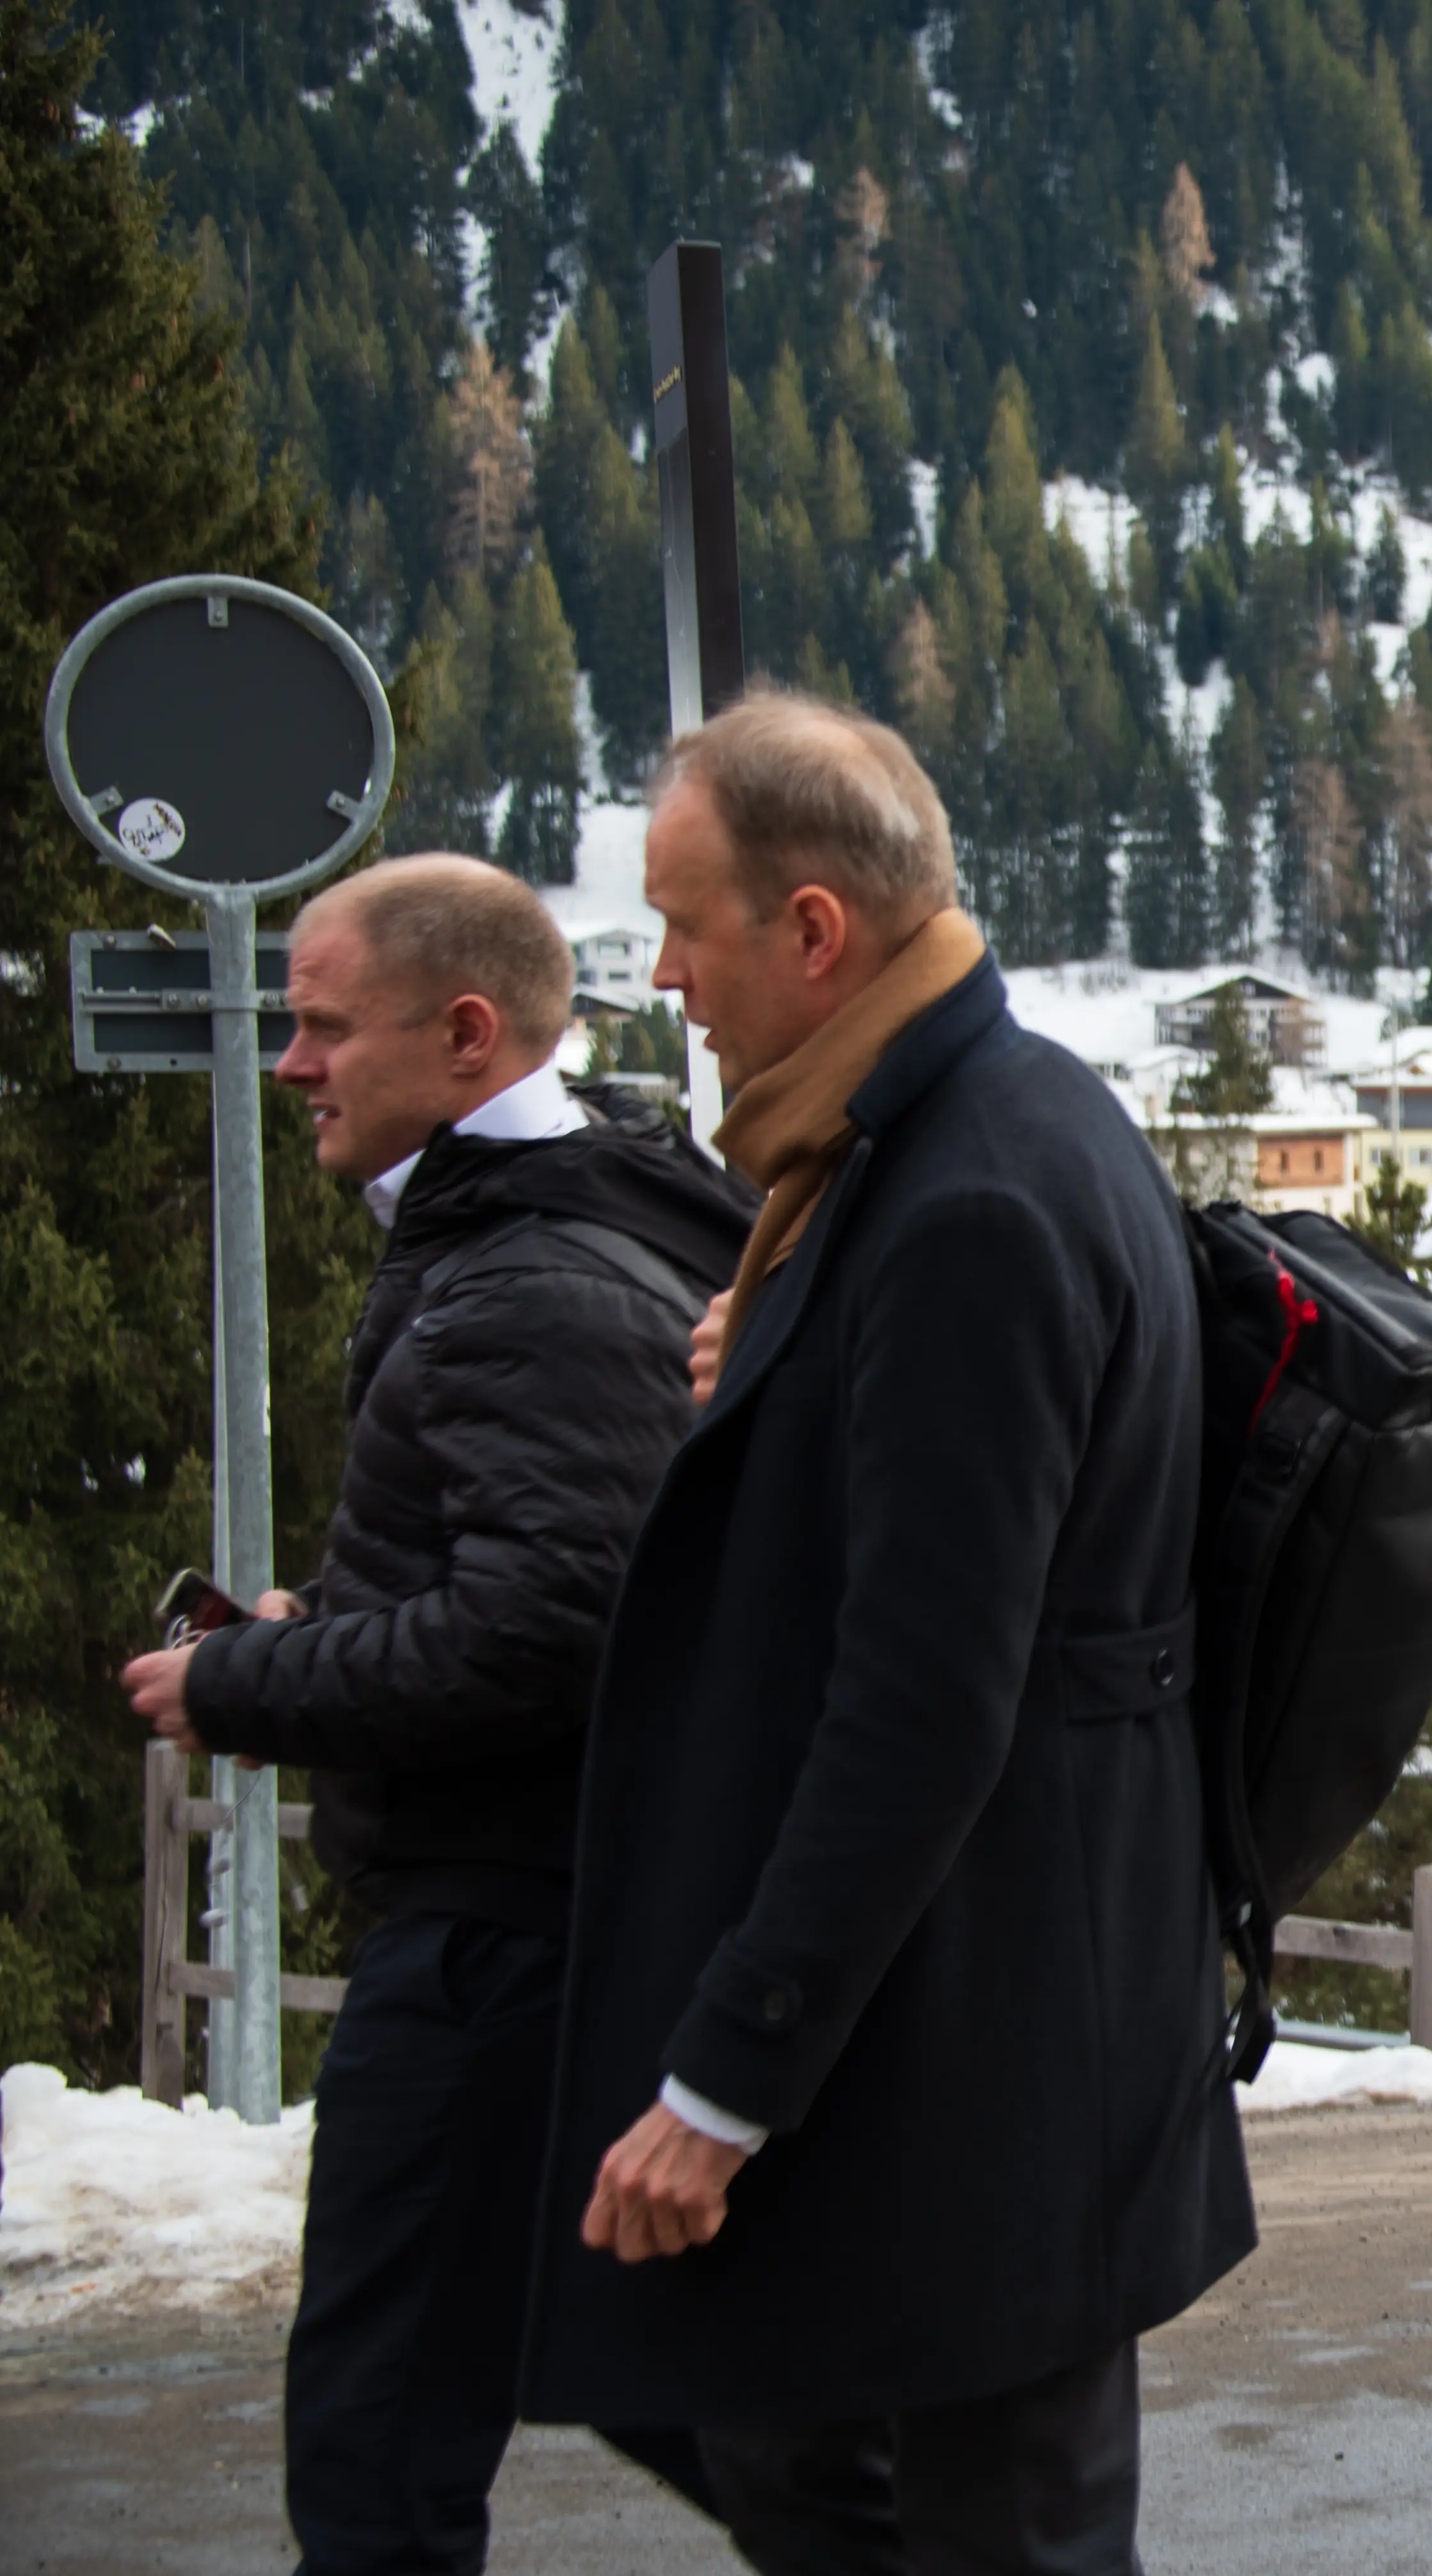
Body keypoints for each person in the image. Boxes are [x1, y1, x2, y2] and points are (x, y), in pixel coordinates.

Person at [517, 693, 1252, 2568]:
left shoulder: (963, 1197)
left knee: (984, 2525)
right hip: (982, 2029)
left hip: (990, 2041)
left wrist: (724, 2077)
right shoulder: (947, 1140)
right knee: (799, 2456)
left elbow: (928, 1700)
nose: (663, 976)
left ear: (817, 932)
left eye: (686, 925)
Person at [117, 855, 750, 2573]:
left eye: (324, 1027)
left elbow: (549, 1627)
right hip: (543, 1918)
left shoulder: (532, 1278)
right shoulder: (548, 1227)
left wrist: (247, 1680)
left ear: (466, 1036)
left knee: (383, 2431)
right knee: (640, 2385)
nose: (292, 1064)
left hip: (491, 1938)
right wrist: (324, 1623)